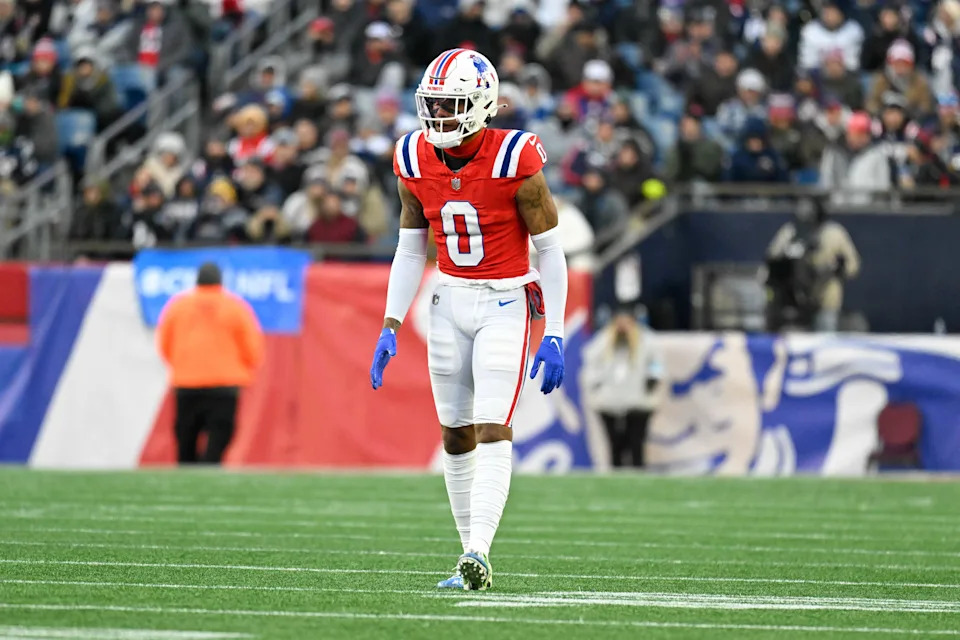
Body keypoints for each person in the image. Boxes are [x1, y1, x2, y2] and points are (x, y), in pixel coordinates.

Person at [368, 49, 567, 591]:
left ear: (481, 103)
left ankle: (479, 551)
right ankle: (466, 554)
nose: (439, 118)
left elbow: (550, 249)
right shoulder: (412, 156)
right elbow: (411, 250)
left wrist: (554, 331)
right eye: (432, 105)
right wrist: (389, 324)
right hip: (448, 297)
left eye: (451, 105)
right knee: (455, 434)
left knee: (491, 427)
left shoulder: (516, 157)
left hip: (505, 297)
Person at [156, 262, 265, 464]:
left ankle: (187, 480)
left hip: (186, 384)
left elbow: (164, 343)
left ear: (197, 281)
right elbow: (252, 347)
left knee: (186, 442)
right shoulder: (236, 307)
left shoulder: (178, 306)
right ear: (220, 282)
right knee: (219, 438)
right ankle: (209, 467)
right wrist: (244, 367)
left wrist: (182, 364)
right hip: (224, 386)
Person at [581, 304, 663, 468]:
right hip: (609, 401)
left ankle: (639, 478)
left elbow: (656, 363)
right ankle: (616, 478)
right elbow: (590, 364)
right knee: (615, 445)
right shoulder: (603, 340)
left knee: (636, 443)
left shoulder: (646, 340)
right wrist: (595, 384)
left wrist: (652, 379)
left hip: (638, 400)